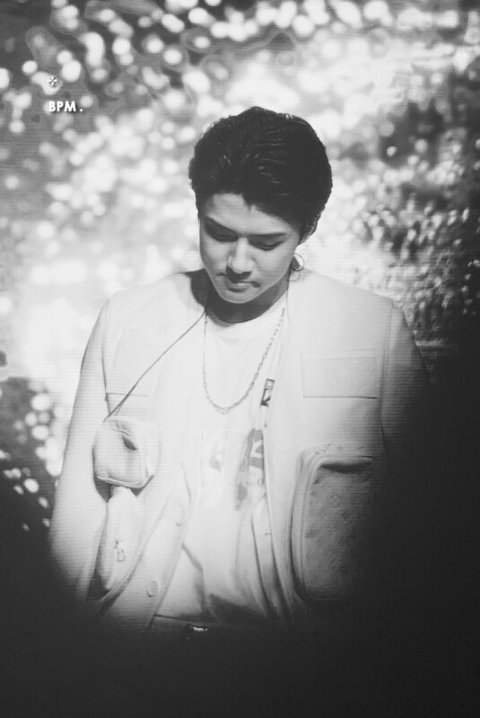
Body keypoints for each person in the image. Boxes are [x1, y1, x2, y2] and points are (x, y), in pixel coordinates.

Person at [49, 107, 429, 649]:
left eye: (266, 242)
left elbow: (428, 509)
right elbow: (77, 507)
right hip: (137, 642)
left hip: (298, 656)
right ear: (197, 213)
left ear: (307, 230)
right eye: (219, 233)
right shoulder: (128, 318)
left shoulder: (371, 328)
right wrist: (70, 647)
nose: (237, 262)